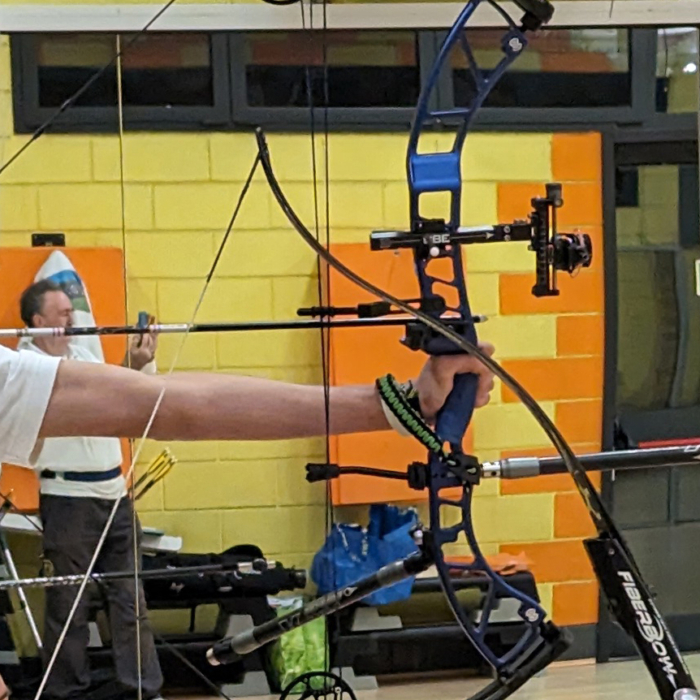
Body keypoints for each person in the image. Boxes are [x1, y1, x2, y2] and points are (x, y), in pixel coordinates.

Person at [16, 280, 164, 700]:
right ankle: (65, 692)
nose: (72, 318)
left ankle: (142, 689)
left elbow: (119, 398)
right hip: (68, 499)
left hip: (114, 492)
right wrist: (117, 375)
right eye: (63, 313)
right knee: (68, 603)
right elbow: (83, 399)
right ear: (39, 321)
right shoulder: (25, 366)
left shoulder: (82, 355)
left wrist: (135, 365)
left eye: (72, 311)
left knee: (130, 599)